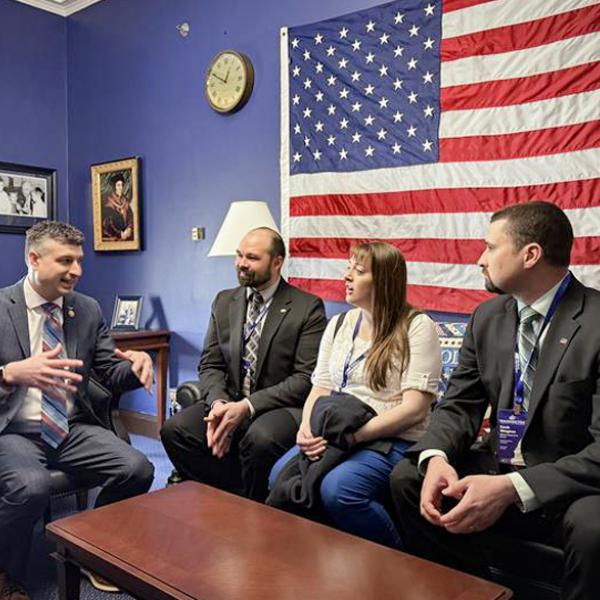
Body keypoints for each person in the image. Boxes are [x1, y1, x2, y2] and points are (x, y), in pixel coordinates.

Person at [390, 201, 600, 600]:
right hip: (500, 458)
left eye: (489, 247)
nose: (480, 260)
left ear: (530, 254)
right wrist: (435, 457)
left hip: (569, 483)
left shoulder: (595, 321)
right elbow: (458, 406)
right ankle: (473, 591)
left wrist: (510, 488)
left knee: (595, 528)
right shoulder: (487, 318)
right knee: (408, 478)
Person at [0, 221, 155, 599]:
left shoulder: (86, 309)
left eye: (79, 261)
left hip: (71, 426)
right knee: (31, 487)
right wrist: (8, 374)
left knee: (138, 468)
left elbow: (109, 370)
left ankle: (90, 549)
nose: (77, 271)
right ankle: (6, 572)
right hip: (15, 429)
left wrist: (136, 366)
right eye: (65, 260)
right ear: (34, 258)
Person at [268, 241, 441, 547]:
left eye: (358, 271)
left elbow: (415, 409)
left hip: (393, 438)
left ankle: (398, 564)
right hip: (337, 430)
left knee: (340, 490)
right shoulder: (339, 324)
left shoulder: (417, 327)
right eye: (348, 267)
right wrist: (306, 429)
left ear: (383, 281)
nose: (347, 276)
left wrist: (356, 437)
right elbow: (320, 386)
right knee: (279, 475)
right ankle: (325, 556)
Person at [161, 227, 327, 502]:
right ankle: (230, 499)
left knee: (258, 439)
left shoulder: (306, 307)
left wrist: (247, 407)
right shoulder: (225, 301)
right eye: (239, 255)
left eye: (252, 257)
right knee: (175, 431)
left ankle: (253, 512)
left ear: (277, 262)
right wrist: (218, 404)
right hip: (230, 399)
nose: (241, 263)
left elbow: (304, 378)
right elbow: (210, 363)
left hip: (280, 406)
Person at [102, 173, 133, 241]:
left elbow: (131, 217)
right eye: (118, 185)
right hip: (114, 235)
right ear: (114, 187)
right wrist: (119, 234)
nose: (121, 187)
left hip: (126, 234)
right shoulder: (109, 202)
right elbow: (107, 222)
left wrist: (129, 228)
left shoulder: (125, 201)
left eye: (122, 185)